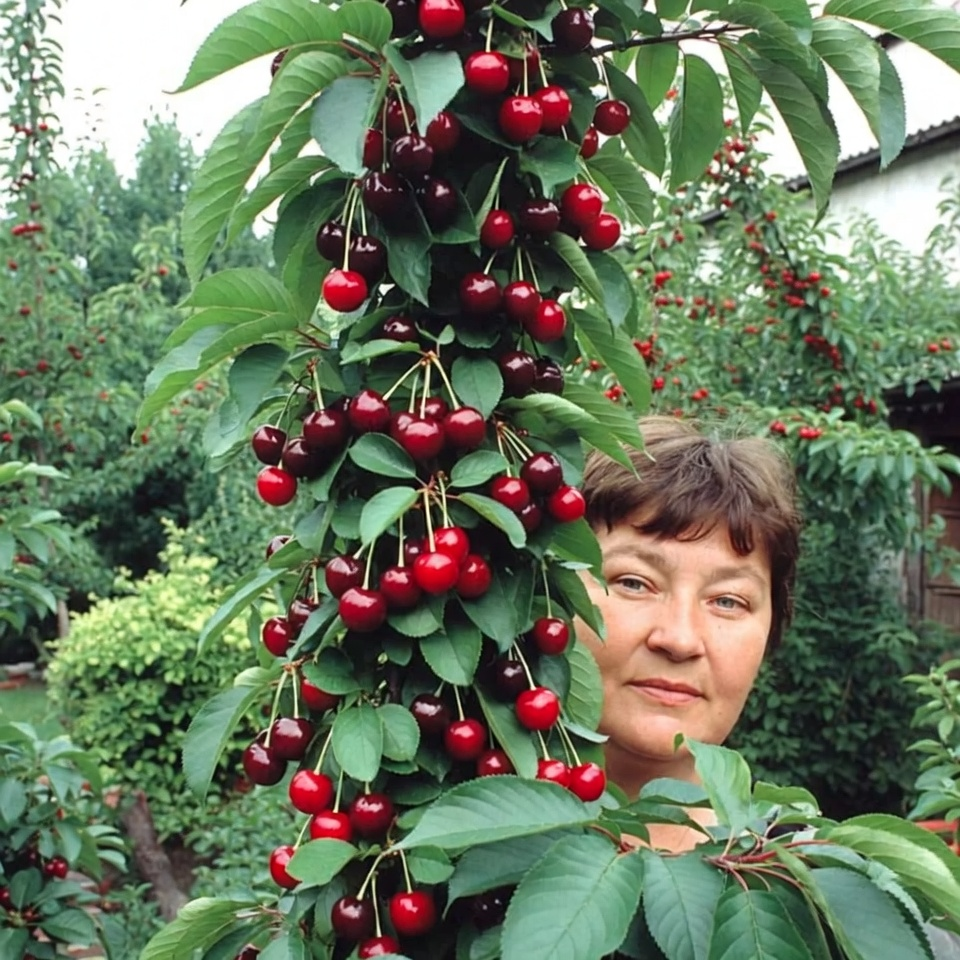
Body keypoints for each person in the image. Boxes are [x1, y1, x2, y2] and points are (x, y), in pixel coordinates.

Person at [575, 415, 802, 852]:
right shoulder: (438, 856)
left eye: (728, 601)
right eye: (634, 583)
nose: (679, 639)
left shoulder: (816, 881)